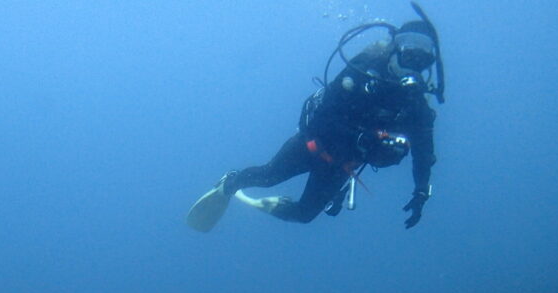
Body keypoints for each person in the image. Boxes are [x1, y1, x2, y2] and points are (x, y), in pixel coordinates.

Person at [189, 3, 444, 231]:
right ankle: (230, 182)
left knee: (304, 215)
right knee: (267, 177)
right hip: (312, 144)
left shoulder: (416, 106)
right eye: (410, 47)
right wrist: (361, 138)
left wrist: (421, 191)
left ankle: (272, 205)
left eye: (424, 55)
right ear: (395, 46)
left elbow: (424, 151)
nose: (415, 58)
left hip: (341, 166)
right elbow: (323, 117)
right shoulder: (360, 72)